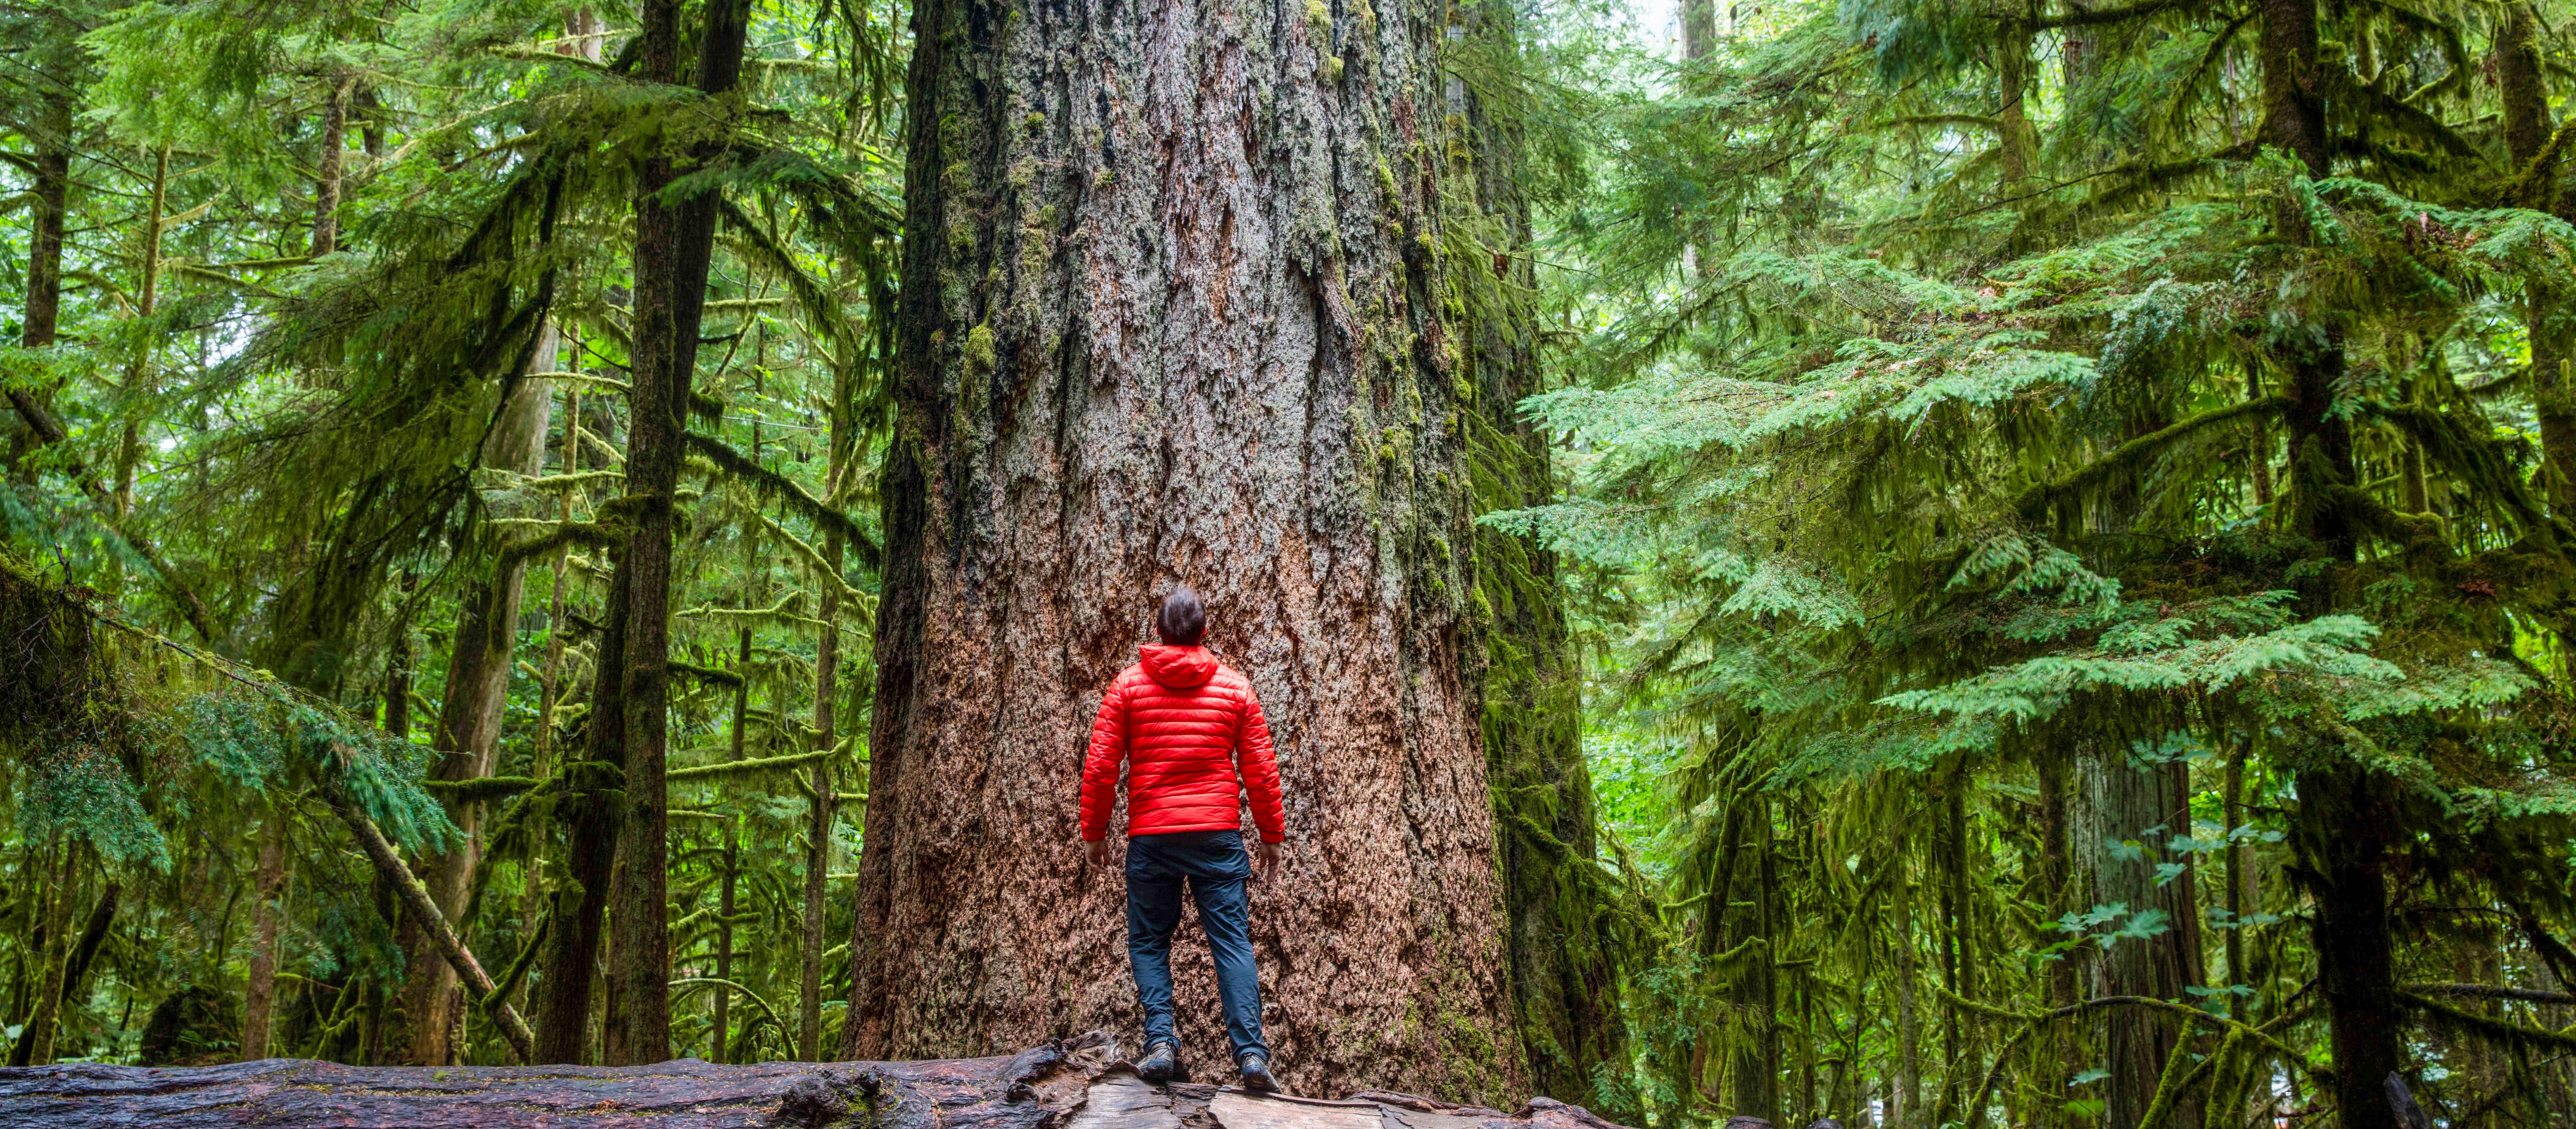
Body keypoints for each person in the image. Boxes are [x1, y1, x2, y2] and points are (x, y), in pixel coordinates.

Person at [1080, 585, 1286, 1092]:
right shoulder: (1235, 689)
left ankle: (1161, 1043)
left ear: (1159, 631)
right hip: (1218, 835)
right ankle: (1253, 1057)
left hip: (1153, 836)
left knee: (1150, 940)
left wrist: (1095, 831)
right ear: (1204, 633)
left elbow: (1103, 764)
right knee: (1233, 943)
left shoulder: (1128, 687)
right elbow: (1260, 768)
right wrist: (1271, 834)